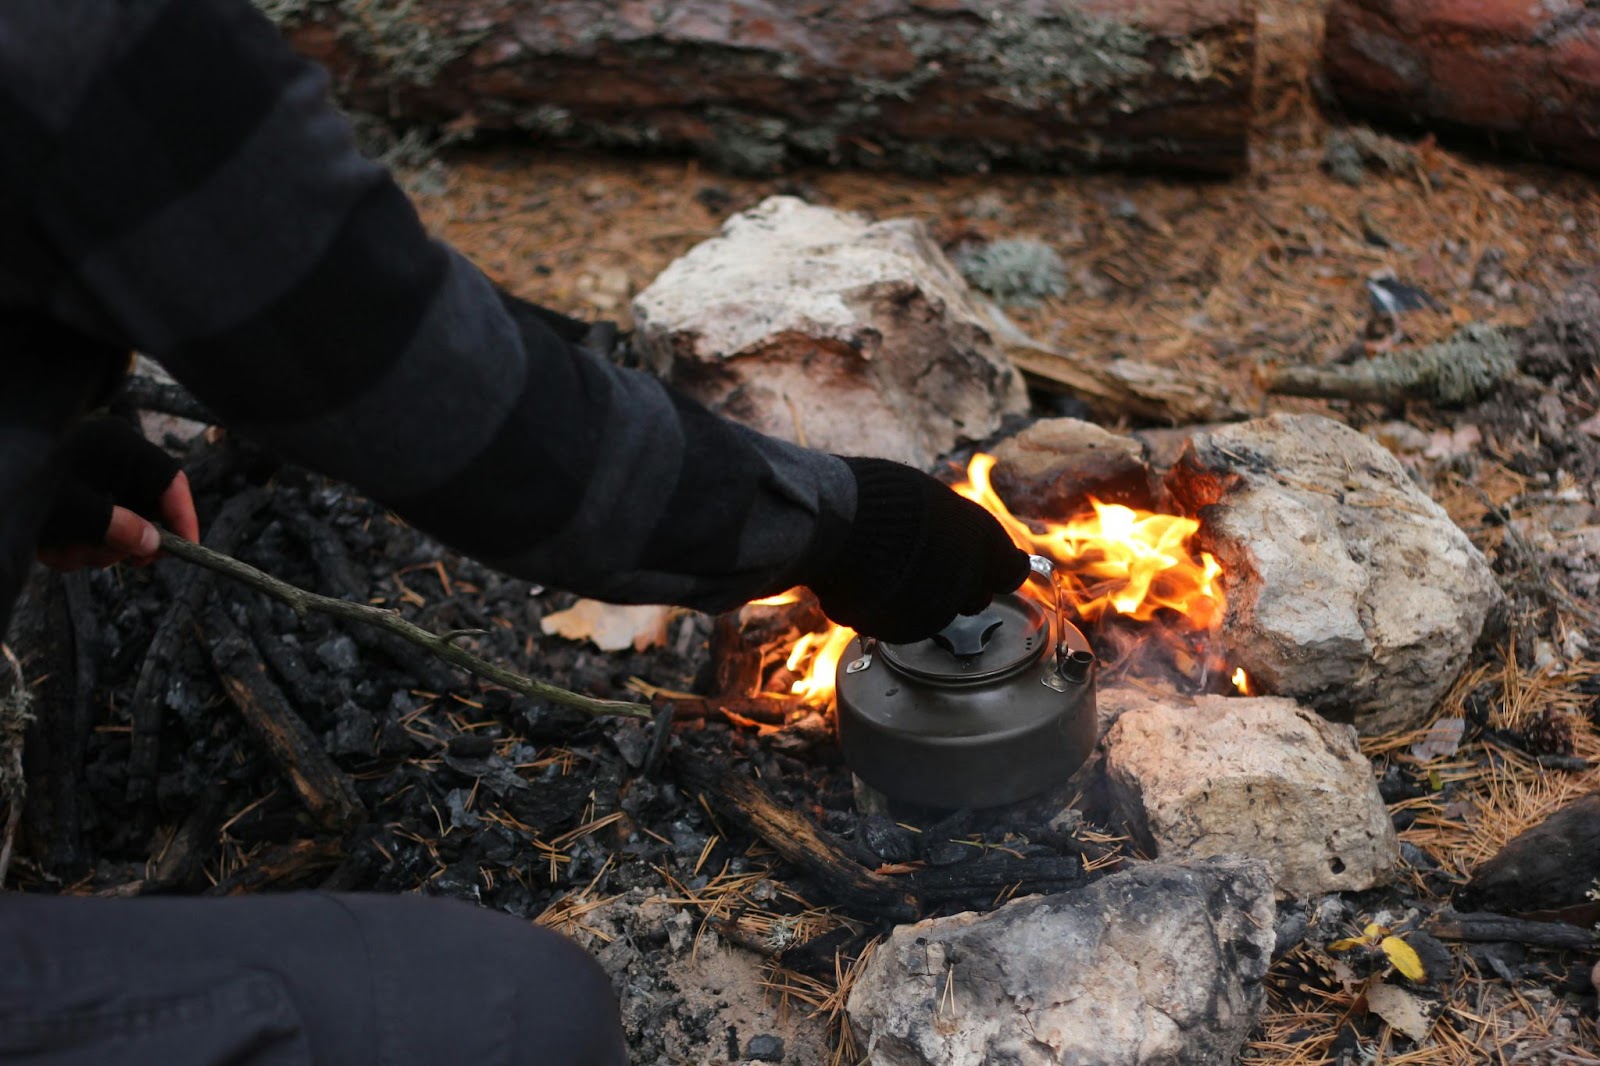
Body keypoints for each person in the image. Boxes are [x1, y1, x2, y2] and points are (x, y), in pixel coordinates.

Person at [0, 1, 1030, 1063]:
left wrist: (42, 436)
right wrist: (856, 529)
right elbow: (478, 422)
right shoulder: (94, 42)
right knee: (515, 1015)